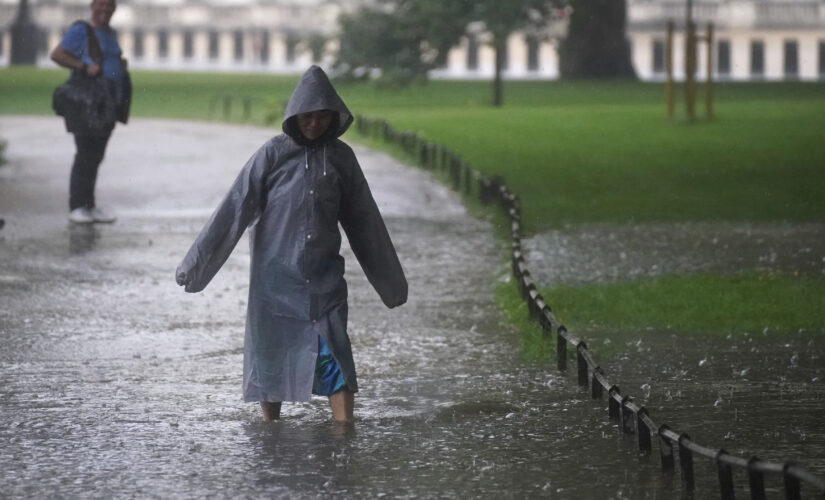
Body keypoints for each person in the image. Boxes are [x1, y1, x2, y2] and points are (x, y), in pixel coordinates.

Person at [175, 66, 408, 423]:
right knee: (271, 355)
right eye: (306, 118)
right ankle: (272, 431)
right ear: (294, 117)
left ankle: (344, 434)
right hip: (274, 280)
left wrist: (391, 284)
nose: (313, 125)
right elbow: (234, 208)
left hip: (324, 277)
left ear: (333, 118)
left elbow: (365, 221)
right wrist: (196, 266)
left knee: (335, 352)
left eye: (321, 118)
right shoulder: (271, 155)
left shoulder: (342, 159)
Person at [50, 0, 130, 224]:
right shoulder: (81, 29)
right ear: (92, 5)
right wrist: (84, 67)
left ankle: (89, 206)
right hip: (88, 102)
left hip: (107, 103)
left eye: (110, 5)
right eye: (101, 5)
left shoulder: (109, 32)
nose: (105, 10)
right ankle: (77, 206)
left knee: (96, 155)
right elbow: (57, 54)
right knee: (85, 153)